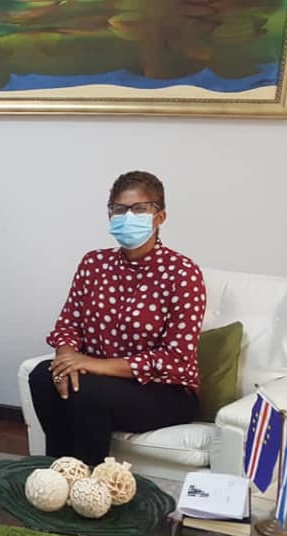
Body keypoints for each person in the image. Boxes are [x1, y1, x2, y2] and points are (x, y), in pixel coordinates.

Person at [29, 171, 205, 466]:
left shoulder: (182, 273)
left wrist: (91, 364)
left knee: (88, 393)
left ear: (160, 217)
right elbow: (68, 324)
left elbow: (174, 359)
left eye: (139, 209)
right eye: (119, 209)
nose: (128, 217)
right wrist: (66, 359)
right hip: (97, 379)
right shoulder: (94, 263)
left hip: (164, 390)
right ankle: (59, 470)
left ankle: (91, 481)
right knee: (42, 376)